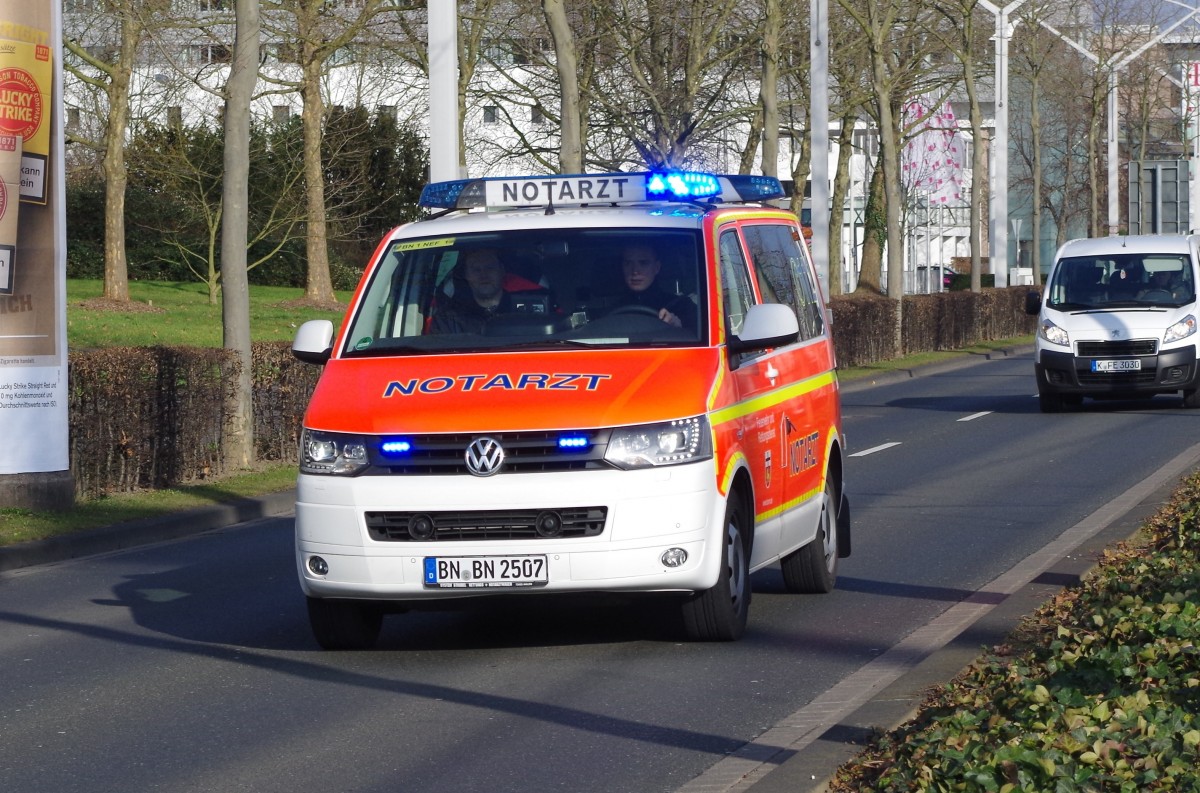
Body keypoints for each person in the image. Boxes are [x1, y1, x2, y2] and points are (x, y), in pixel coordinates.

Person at [429, 249, 545, 334]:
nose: (483, 275)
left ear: (502, 271)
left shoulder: (530, 310)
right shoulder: (449, 319)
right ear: (466, 275)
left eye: (490, 268)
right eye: (476, 269)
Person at [614, 244, 696, 328]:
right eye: (628, 263)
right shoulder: (611, 311)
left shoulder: (682, 306)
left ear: (656, 267)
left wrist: (679, 328)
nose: (635, 270)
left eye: (643, 263)